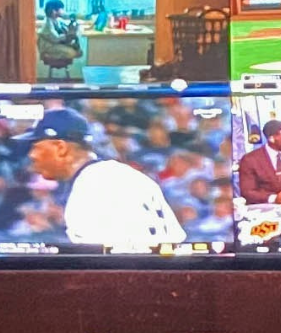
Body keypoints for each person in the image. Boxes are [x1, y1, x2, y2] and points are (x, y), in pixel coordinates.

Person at [21, 107, 185, 252]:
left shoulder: (90, 188)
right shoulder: (124, 174)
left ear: (61, 148)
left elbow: (101, 266)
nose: (32, 155)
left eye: (36, 146)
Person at [236, 119, 281, 205]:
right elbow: (248, 192)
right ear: (271, 139)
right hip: (262, 209)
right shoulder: (250, 160)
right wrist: (274, 198)